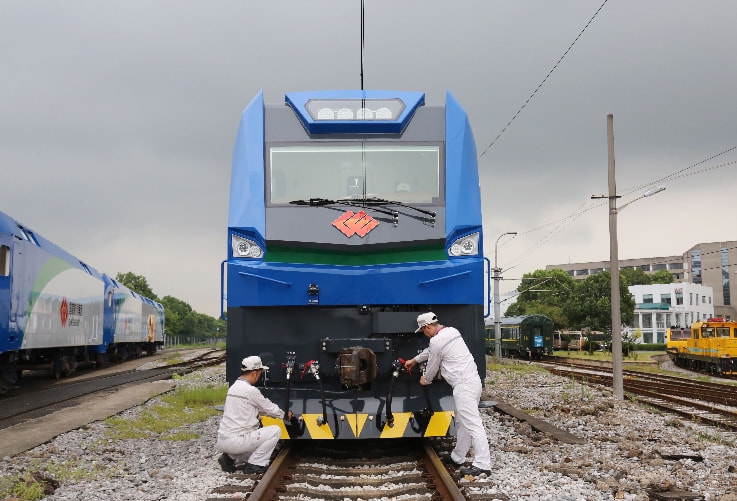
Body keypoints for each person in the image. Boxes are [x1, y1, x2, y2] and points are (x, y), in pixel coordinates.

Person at [404, 312, 492, 477]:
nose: (423, 333)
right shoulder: (452, 332)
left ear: (427, 327)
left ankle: (483, 465)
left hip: (463, 386)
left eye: (423, 330)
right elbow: (431, 350)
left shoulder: (437, 341)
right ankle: (457, 458)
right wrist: (415, 360)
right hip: (473, 382)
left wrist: (426, 379)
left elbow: (432, 364)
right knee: (463, 423)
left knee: (472, 424)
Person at [216, 355, 293, 474]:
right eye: (260, 373)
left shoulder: (233, 388)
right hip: (237, 441)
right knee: (275, 431)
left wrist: (271, 415)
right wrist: (284, 415)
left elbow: (255, 409)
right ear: (254, 373)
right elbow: (269, 407)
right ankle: (255, 465)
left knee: (253, 443)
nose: (259, 376)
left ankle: (230, 458)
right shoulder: (250, 391)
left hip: (223, 440)